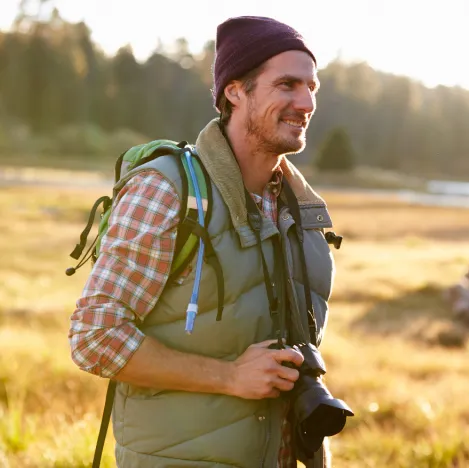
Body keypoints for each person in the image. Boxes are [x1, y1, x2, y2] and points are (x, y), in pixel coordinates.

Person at [69, 16, 339, 468]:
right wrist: (230, 377)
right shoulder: (167, 190)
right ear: (235, 91)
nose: (306, 101)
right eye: (288, 84)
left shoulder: (304, 211)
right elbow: (94, 336)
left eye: (313, 87)